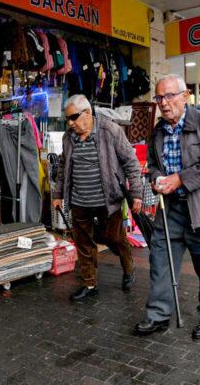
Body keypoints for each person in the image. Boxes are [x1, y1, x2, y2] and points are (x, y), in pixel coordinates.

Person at [135, 74, 200, 340]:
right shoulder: (157, 132)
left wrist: (180, 179)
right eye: (159, 97)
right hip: (172, 209)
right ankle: (158, 315)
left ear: (185, 95)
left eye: (169, 96)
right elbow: (153, 165)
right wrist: (156, 178)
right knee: (160, 260)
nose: (164, 103)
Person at [53, 94, 143, 301]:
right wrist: (58, 194)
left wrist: (136, 193)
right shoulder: (69, 137)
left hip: (108, 200)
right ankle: (89, 283)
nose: (70, 123)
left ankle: (128, 268)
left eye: (73, 117)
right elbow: (63, 167)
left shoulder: (110, 130)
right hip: (79, 201)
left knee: (115, 238)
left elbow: (131, 162)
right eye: (67, 119)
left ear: (87, 113)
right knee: (83, 243)